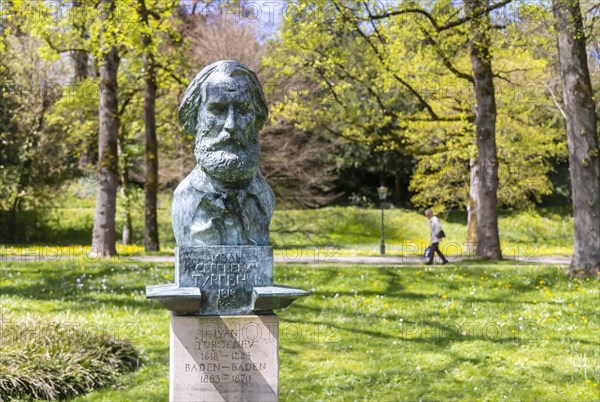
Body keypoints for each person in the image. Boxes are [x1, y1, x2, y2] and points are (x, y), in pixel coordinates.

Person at [172, 61, 275, 246]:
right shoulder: (185, 197)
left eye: (243, 109)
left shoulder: (264, 197)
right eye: (217, 110)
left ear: (257, 119)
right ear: (194, 118)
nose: (231, 125)